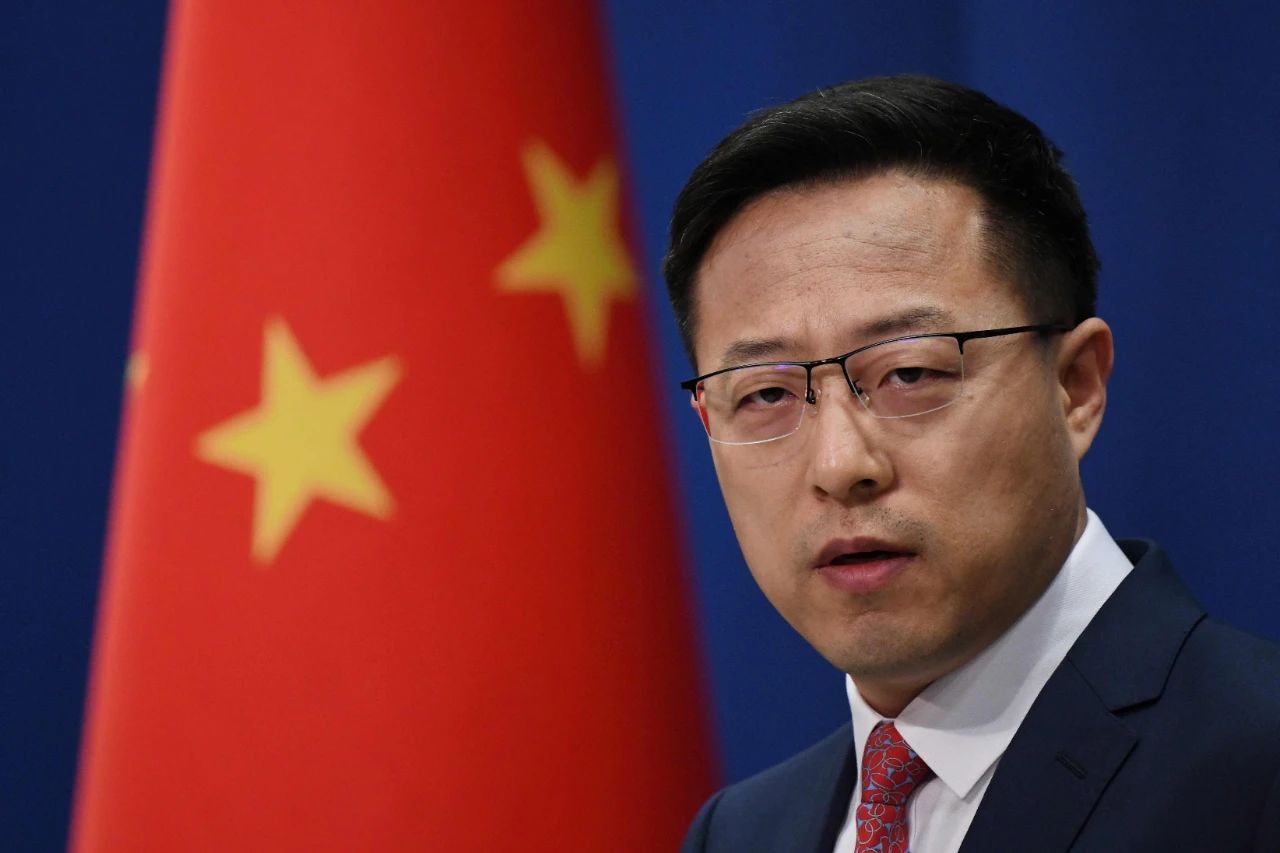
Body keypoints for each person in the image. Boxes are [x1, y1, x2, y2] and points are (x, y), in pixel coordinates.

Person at [665, 75, 1280, 852]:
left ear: (1075, 386)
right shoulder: (739, 833)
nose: (840, 464)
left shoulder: (1256, 764)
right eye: (765, 393)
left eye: (909, 373)